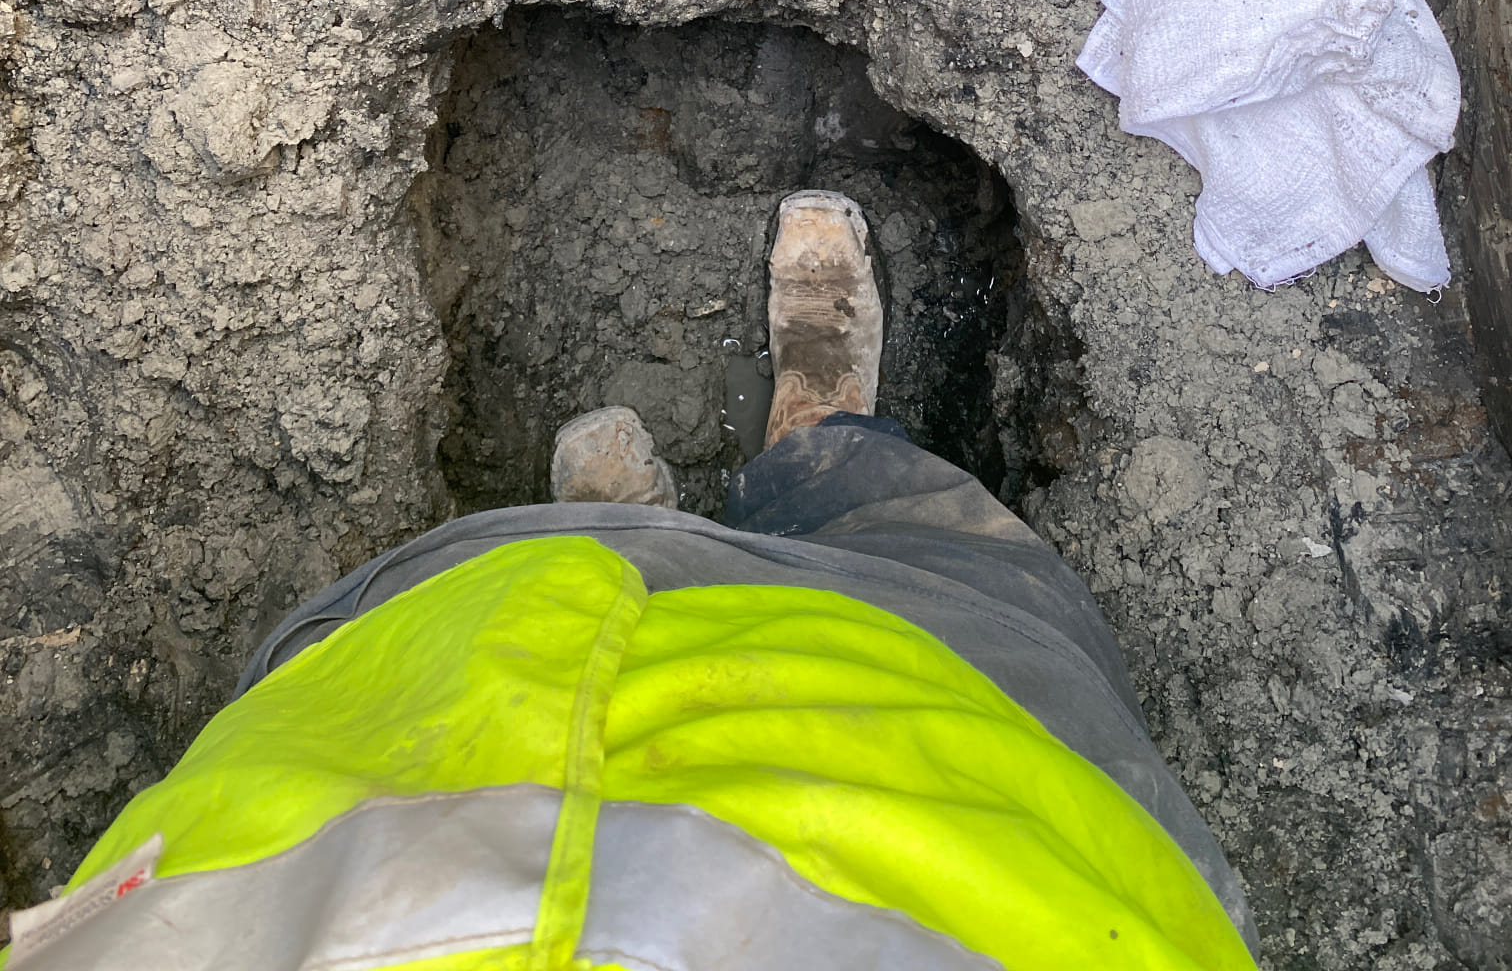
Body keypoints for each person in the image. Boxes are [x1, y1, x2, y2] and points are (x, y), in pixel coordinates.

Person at [6, 192, 1258, 971]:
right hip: (954, 815)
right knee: (940, 570)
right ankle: (820, 447)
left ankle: (611, 544)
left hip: (375, 797)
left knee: (499, 597)